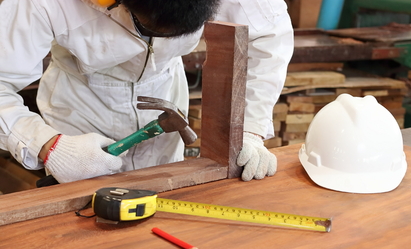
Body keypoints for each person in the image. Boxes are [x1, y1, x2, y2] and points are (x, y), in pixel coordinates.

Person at [0, 0, 294, 184]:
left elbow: (270, 35)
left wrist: (250, 129)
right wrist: (48, 145)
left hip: (164, 85)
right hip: (81, 103)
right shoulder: (40, 4)